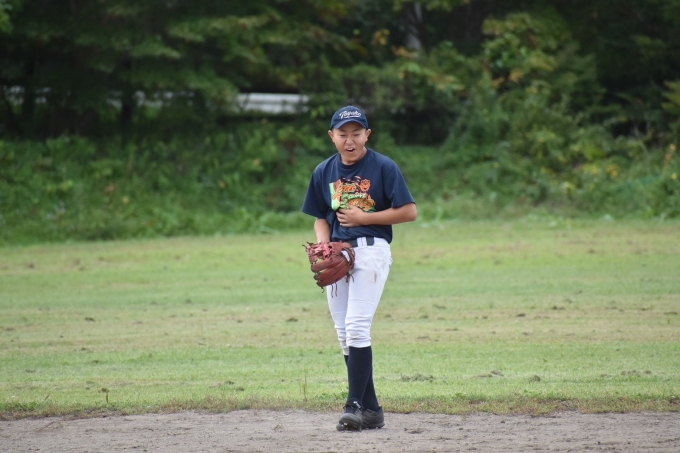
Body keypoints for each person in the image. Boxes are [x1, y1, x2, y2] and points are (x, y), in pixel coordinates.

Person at [301, 105, 417, 431]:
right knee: (344, 333)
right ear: (332, 136)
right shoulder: (324, 171)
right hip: (339, 255)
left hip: (371, 251)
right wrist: (324, 245)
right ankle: (372, 409)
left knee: (356, 327)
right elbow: (321, 218)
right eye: (343, 134)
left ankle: (352, 405)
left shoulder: (383, 167)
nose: (349, 140)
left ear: (367, 134)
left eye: (356, 133)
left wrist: (365, 218)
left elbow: (409, 211)